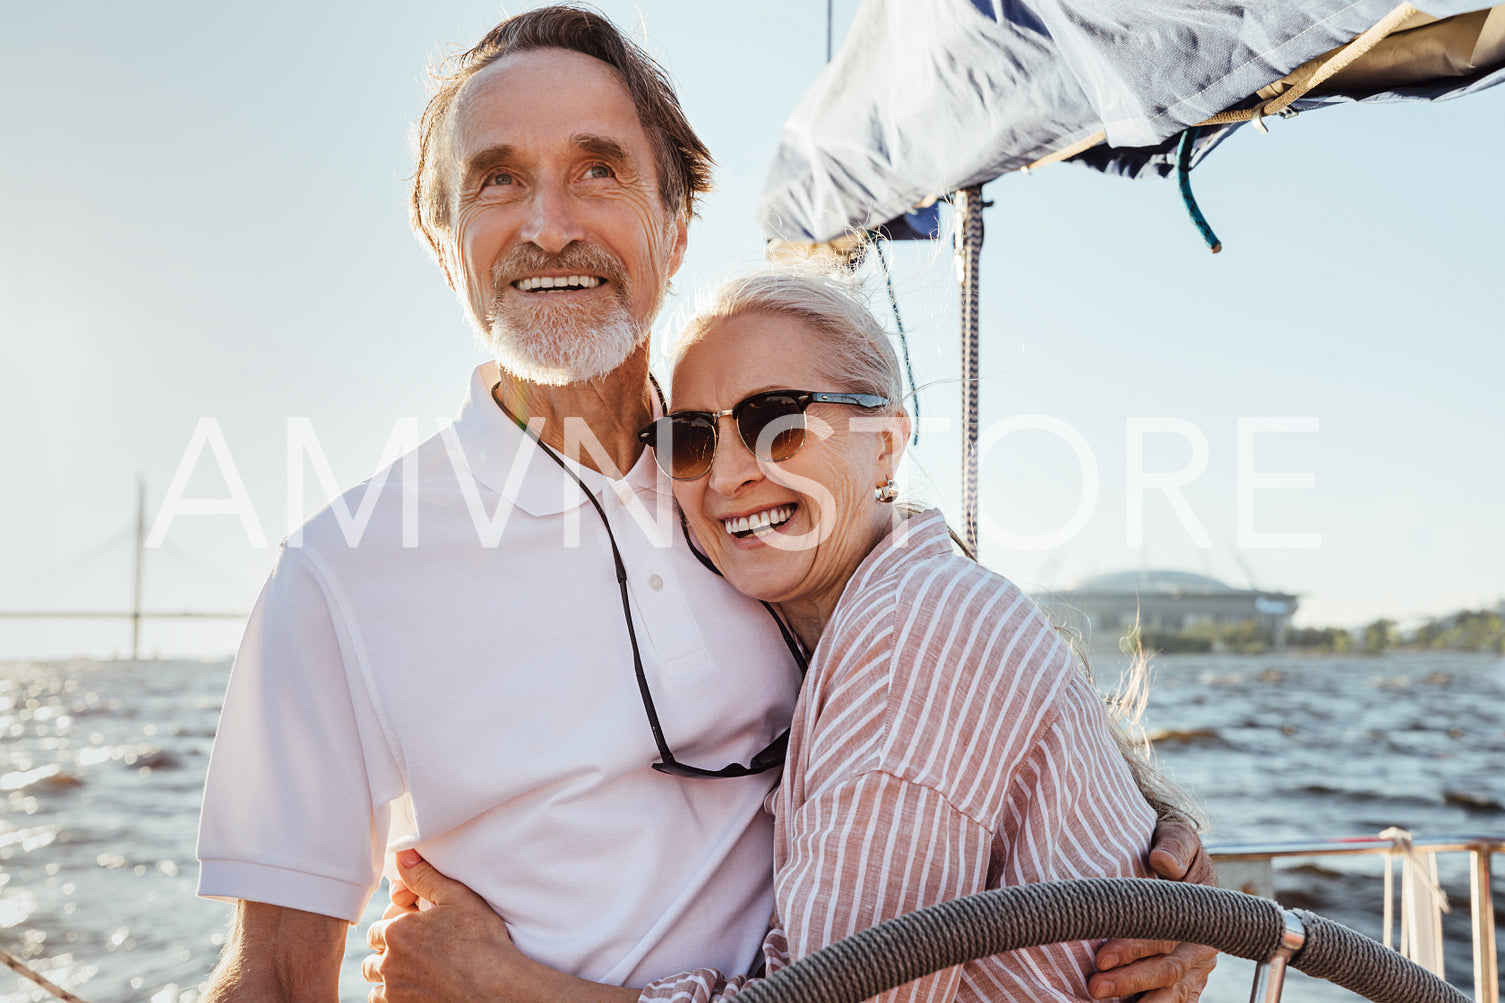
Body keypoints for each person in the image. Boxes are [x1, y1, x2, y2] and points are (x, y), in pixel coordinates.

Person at [196, 6, 1212, 1001]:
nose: (548, 227)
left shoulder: (754, 498)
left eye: (599, 169)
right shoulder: (341, 572)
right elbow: (273, 977)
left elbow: (972, 686)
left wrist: (1149, 848)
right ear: (440, 235)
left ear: (675, 228)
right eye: (496, 180)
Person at [361, 269, 1216, 1003]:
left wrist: (494, 983)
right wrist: (1175, 850)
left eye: (775, 419)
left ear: (885, 446)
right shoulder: (872, 606)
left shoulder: (904, 638)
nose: (729, 471)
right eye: (689, 438)